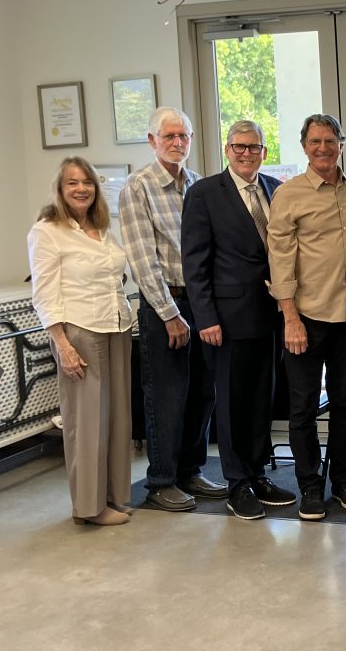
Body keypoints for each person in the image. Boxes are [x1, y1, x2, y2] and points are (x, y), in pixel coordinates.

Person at [181, 120, 296, 521]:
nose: (247, 153)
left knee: (261, 399)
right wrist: (205, 318)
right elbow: (194, 263)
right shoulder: (204, 193)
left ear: (264, 152)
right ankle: (237, 483)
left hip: (270, 315)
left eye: (254, 147)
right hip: (226, 320)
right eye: (239, 147)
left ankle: (257, 473)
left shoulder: (275, 190)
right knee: (231, 402)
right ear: (227, 149)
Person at [120, 107, 224, 512]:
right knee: (167, 396)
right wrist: (169, 313)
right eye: (169, 136)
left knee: (201, 393)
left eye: (184, 136)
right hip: (166, 305)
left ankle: (190, 471)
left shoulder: (197, 184)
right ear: (152, 141)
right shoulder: (138, 187)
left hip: (201, 302)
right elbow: (143, 260)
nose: (178, 143)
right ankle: (161, 481)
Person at [268, 113, 346, 521]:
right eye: (315, 141)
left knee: (345, 403)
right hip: (306, 318)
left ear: (342, 143)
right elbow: (279, 260)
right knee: (303, 407)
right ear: (304, 147)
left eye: (330, 140)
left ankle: (342, 480)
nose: (323, 148)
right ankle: (310, 485)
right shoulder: (289, 194)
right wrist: (290, 318)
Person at [29, 157, 133, 526]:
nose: (81, 189)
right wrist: (63, 345)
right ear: (60, 189)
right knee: (87, 422)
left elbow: (115, 276)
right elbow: (43, 294)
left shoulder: (101, 227)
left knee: (117, 418)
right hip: (80, 332)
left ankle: (114, 496)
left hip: (117, 326)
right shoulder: (47, 231)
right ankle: (89, 508)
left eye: (87, 182)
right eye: (72, 182)